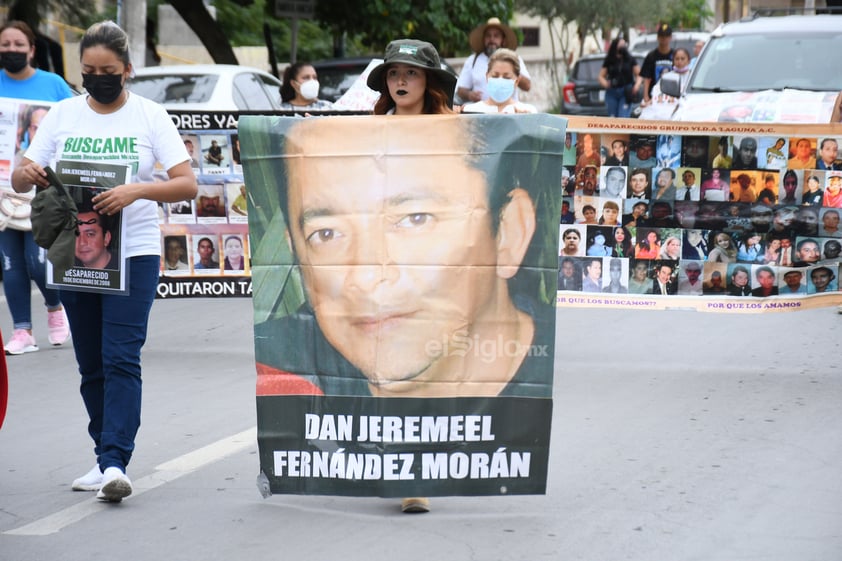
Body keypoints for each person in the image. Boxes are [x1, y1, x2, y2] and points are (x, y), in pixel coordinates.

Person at [248, 113, 560, 506]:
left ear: (509, 233)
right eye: (326, 234)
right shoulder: (285, 367)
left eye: (415, 219)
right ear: (296, 256)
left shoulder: (537, 362)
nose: (364, 275)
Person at [11, 21, 197, 501]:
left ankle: (116, 461)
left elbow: (186, 183)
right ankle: (102, 457)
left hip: (133, 254)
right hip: (76, 254)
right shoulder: (62, 115)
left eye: (108, 71)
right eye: (89, 71)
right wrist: (26, 170)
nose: (97, 78)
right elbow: (18, 180)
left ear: (127, 70)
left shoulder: (150, 117)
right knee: (90, 363)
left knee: (120, 358)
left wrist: (139, 189)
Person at [0, 20, 73, 356]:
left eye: (18, 44)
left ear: (31, 49)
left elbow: (78, 121)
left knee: (37, 260)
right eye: (5, 44)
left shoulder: (54, 85)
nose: (11, 50)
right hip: (2, 187)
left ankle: (55, 307)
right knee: (10, 262)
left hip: (41, 188)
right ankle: (22, 330)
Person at [367, 39, 456, 116]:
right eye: (393, 73)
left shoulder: (448, 127)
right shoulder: (373, 127)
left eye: (411, 72)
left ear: (428, 80)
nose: (400, 81)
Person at [456, 18, 530, 104]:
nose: (492, 39)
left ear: (503, 40)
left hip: (509, 112)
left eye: (496, 36)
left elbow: (527, 86)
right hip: (480, 113)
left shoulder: (514, 59)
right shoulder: (473, 60)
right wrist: (469, 95)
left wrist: (511, 71)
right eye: (488, 36)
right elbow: (461, 90)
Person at [461, 48, 536, 114]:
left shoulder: (527, 112)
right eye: (495, 76)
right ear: (487, 77)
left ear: (516, 82)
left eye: (507, 77)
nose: (500, 80)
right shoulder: (471, 111)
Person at [598, 35, 640, 118]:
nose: (622, 47)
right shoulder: (610, 59)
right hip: (612, 91)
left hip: (625, 91)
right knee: (612, 117)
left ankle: (622, 131)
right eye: (620, 45)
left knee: (623, 117)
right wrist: (605, 83)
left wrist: (636, 86)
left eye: (624, 45)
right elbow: (601, 76)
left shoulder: (630, 59)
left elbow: (638, 74)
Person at [639, 23, 674, 106]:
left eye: (667, 36)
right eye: (662, 36)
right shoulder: (651, 56)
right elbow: (647, 78)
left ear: (670, 37)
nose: (664, 39)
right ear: (658, 37)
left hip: (671, 95)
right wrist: (646, 96)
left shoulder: (675, 55)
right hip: (654, 95)